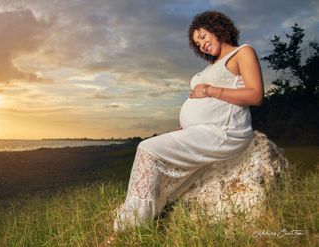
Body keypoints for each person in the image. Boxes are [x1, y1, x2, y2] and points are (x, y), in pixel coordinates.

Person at [111, 10, 264, 236]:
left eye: (203, 36)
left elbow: (255, 95)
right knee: (162, 172)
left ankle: (127, 229)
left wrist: (210, 90)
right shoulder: (210, 67)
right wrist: (187, 125)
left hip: (225, 132)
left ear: (217, 27)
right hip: (201, 131)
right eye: (197, 43)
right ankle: (139, 222)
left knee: (146, 149)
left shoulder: (243, 52)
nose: (201, 44)